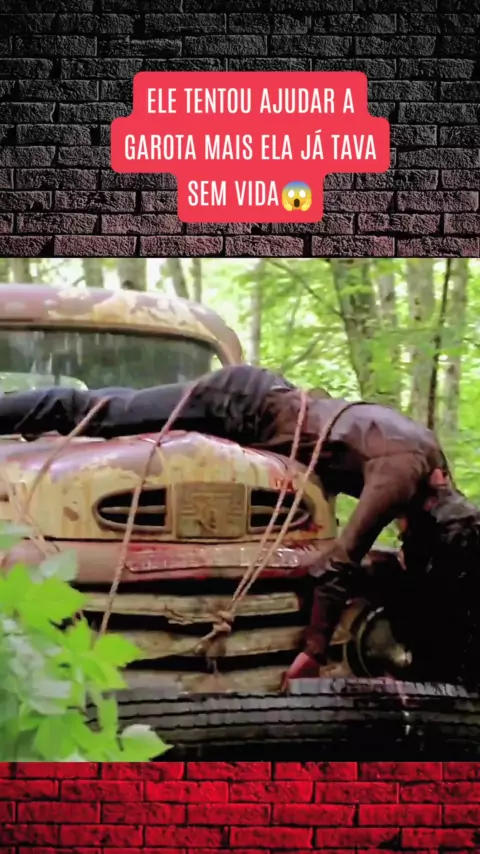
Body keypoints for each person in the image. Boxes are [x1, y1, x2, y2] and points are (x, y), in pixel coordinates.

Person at [0, 364, 471, 681]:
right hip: (242, 402)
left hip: (268, 410)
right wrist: (313, 651)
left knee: (117, 408)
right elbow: (336, 568)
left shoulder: (436, 473)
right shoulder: (401, 478)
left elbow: (436, 567)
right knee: (99, 413)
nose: (403, 540)